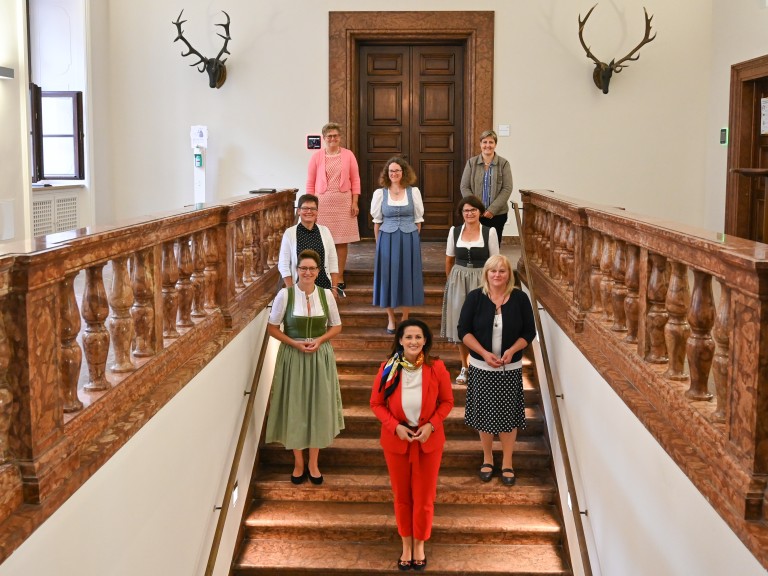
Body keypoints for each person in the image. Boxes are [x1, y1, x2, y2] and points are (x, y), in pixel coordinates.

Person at [370, 319, 454, 572]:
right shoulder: (388, 367)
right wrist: (395, 426)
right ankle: (406, 545)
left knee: (424, 498)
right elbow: (376, 403)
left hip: (428, 442)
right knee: (403, 497)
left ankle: (420, 545)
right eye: (408, 337)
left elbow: (447, 402)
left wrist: (432, 425)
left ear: (425, 340)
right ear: (400, 340)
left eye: (418, 337)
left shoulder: (437, 367)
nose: (414, 342)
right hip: (397, 441)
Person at [265, 249, 344, 485]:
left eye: (311, 269)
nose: (307, 272)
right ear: (296, 270)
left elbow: (337, 326)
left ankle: (313, 462)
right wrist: (295, 344)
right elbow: (272, 328)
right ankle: (299, 462)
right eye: (303, 268)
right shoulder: (285, 295)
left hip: (321, 356)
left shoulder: (326, 295)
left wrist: (320, 340)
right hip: (293, 357)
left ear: (318, 272)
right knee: (296, 406)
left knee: (318, 406)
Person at [457, 254, 535, 487]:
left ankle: (508, 461)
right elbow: (464, 331)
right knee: (484, 415)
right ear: (486, 274)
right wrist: (483, 353)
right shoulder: (475, 298)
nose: (498, 275)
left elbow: (529, 333)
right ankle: (488, 457)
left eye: (502, 271)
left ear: (509, 274)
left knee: (508, 416)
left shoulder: (520, 299)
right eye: (493, 271)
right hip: (482, 367)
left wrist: (512, 350)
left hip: (509, 368)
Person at [440, 195, 500, 385]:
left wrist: (493, 286)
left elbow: (495, 262)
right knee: (462, 324)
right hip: (458, 281)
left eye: (473, 210)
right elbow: (449, 259)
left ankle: (481, 364)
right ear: (462, 213)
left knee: (482, 324)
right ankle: (465, 367)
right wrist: (451, 282)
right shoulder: (454, 231)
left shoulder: (489, 232)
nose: (470, 213)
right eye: (466, 210)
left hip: (482, 280)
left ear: (480, 212)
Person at [371, 157, 425, 333]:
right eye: (391, 171)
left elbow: (418, 220)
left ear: (404, 173)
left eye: (397, 171)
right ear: (387, 174)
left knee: (407, 275)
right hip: (387, 238)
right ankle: (390, 318)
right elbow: (377, 221)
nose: (394, 174)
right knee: (387, 276)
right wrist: (379, 243)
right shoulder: (381, 193)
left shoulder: (413, 192)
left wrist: (413, 238)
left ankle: (405, 317)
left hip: (409, 238)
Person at [306, 122, 361, 294]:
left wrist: (355, 202)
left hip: (343, 203)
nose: (333, 138)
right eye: (329, 136)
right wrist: (310, 206)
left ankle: (340, 276)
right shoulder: (316, 157)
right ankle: (322, 275)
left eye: (335, 135)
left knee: (341, 242)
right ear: (324, 138)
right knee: (320, 241)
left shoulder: (348, 155)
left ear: (339, 137)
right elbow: (310, 182)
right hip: (322, 204)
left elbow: (356, 180)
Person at [278, 194, 341, 296]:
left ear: (317, 212)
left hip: (324, 286)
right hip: (299, 289)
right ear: (298, 211)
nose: (309, 211)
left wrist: (334, 288)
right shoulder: (289, 233)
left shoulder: (325, 231)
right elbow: (283, 265)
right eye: (305, 208)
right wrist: (291, 291)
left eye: (313, 208)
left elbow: (333, 261)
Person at [459, 130, 513, 244]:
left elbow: (507, 188)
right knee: (476, 245)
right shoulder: (471, 163)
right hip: (475, 214)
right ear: (480, 144)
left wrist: (492, 210)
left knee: (493, 246)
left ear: (495, 144)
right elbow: (464, 186)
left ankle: (492, 263)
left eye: (491, 142)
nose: (487, 145)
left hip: (497, 215)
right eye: (484, 142)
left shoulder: (504, 164)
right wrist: (476, 208)